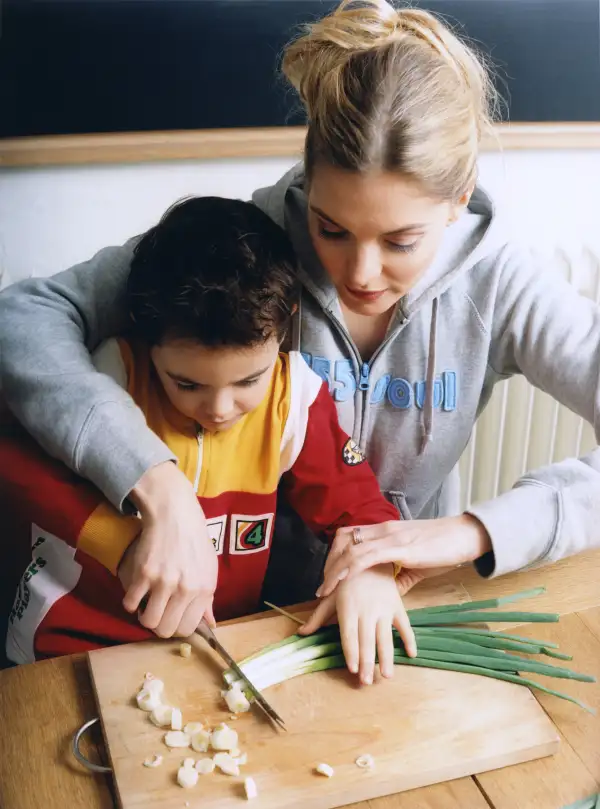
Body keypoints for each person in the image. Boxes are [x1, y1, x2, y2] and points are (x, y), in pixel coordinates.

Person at [1, 0, 599, 641]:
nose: (361, 272)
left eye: (400, 242)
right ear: (307, 185)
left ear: (457, 200)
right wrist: (152, 479)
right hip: (249, 614)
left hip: (402, 600)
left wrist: (470, 532)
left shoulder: (505, 283)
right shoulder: (247, 246)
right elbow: (23, 318)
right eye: (330, 229)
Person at [1, 196, 416, 681]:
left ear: (285, 327)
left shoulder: (294, 398)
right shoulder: (110, 375)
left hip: (209, 653)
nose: (220, 409)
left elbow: (358, 503)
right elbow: (16, 464)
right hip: (66, 648)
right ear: (146, 341)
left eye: (247, 381)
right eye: (187, 384)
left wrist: (370, 568)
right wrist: (122, 545)